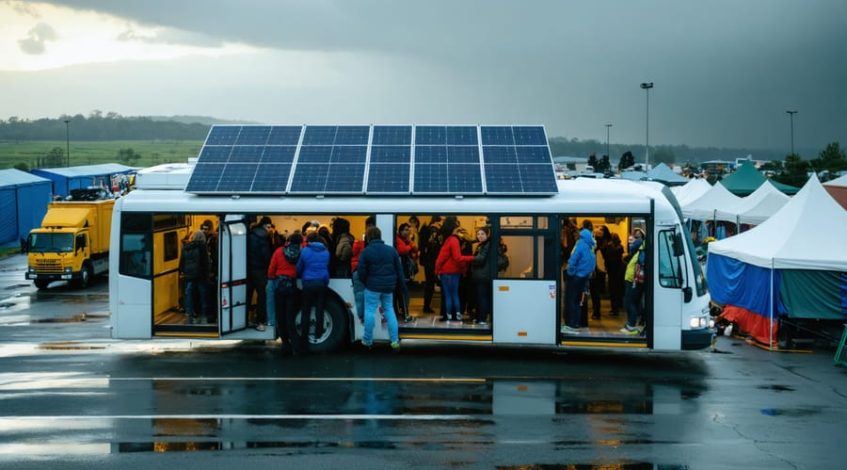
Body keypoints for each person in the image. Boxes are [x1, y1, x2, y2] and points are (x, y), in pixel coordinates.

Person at [357, 226, 403, 351]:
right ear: (380, 236)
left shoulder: (366, 251)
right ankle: (394, 341)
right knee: (389, 310)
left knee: (370, 311)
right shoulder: (391, 250)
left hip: (372, 286)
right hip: (388, 287)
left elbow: (361, 271)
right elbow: (399, 270)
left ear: (369, 237)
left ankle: (367, 340)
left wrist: (366, 282)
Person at [296, 231, 330, 353]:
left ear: (309, 241)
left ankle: (304, 338)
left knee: (306, 310)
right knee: (320, 309)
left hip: (308, 283)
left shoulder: (305, 251)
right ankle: (318, 334)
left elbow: (299, 267)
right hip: (322, 283)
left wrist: (300, 274)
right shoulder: (326, 252)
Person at [435, 217, 474, 322]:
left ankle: (448, 316)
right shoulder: (456, 240)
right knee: (455, 294)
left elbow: (442, 258)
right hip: (456, 272)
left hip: (446, 272)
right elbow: (458, 259)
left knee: (448, 295)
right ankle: (457, 316)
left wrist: (437, 271)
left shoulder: (451, 240)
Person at [268, 232, 301, 354]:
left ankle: (285, 343)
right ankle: (296, 344)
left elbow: (272, 267)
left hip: (280, 285)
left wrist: (271, 277)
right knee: (290, 316)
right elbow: (300, 268)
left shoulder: (279, 251)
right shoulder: (301, 252)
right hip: (292, 285)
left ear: (288, 241)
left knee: (280, 316)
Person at [562, 222, 596, 334]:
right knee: (577, 301)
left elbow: (573, 260)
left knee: (571, 300)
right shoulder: (590, 247)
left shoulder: (581, 245)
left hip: (576, 277)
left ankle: (571, 325)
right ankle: (576, 324)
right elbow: (592, 264)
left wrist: (570, 272)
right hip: (584, 278)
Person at [247, 216, 273, 331]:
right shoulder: (264, 237)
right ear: (264, 226)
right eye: (268, 227)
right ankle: (260, 321)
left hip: (248, 270)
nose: (270, 229)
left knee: (247, 295)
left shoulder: (250, 235)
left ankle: (243, 320)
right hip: (260, 270)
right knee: (262, 296)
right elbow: (266, 255)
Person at [180, 230, 210, 324]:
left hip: (189, 275)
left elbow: (182, 262)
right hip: (200, 275)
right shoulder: (202, 247)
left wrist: (183, 272)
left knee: (189, 294)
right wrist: (207, 274)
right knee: (202, 294)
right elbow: (205, 262)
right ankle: (203, 315)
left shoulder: (186, 247)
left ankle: (189, 315)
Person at [351, 216, 376, 322]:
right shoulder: (376, 244)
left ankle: (362, 319)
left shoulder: (358, 243)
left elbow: (352, 254)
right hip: (371, 273)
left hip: (357, 271)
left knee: (360, 296)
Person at [621, 232, 647, 335]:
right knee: (632, 302)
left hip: (634, 279)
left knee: (629, 302)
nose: (633, 241)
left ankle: (631, 325)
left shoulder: (641, 248)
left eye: (636, 238)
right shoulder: (640, 250)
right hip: (632, 279)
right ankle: (630, 324)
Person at [418, 216, 443, 314]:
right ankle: (426, 306)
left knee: (429, 284)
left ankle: (426, 305)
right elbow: (434, 246)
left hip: (427, 261)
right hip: (432, 261)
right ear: (437, 222)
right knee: (430, 284)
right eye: (440, 223)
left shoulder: (426, 229)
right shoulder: (434, 231)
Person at [394, 223, 418, 323]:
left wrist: (410, 243)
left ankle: (402, 313)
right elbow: (402, 250)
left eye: (408, 229)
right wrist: (410, 245)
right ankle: (405, 315)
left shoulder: (406, 241)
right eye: (405, 230)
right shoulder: (398, 240)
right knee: (404, 294)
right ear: (400, 231)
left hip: (405, 271)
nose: (407, 231)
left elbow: (416, 249)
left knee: (402, 294)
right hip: (401, 271)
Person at [470, 227, 493, 325]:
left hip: (483, 276)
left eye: (482, 234)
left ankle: (482, 318)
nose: (480, 236)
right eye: (478, 234)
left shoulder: (487, 245)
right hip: (480, 275)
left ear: (487, 235)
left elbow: (481, 259)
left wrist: (471, 258)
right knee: (479, 297)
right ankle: (479, 317)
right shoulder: (481, 245)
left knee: (482, 297)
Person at [603, 233, 625, 317]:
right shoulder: (621, 247)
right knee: (618, 289)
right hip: (619, 271)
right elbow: (621, 258)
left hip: (611, 271)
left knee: (612, 290)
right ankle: (618, 307)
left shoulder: (609, 247)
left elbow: (606, 258)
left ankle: (614, 309)